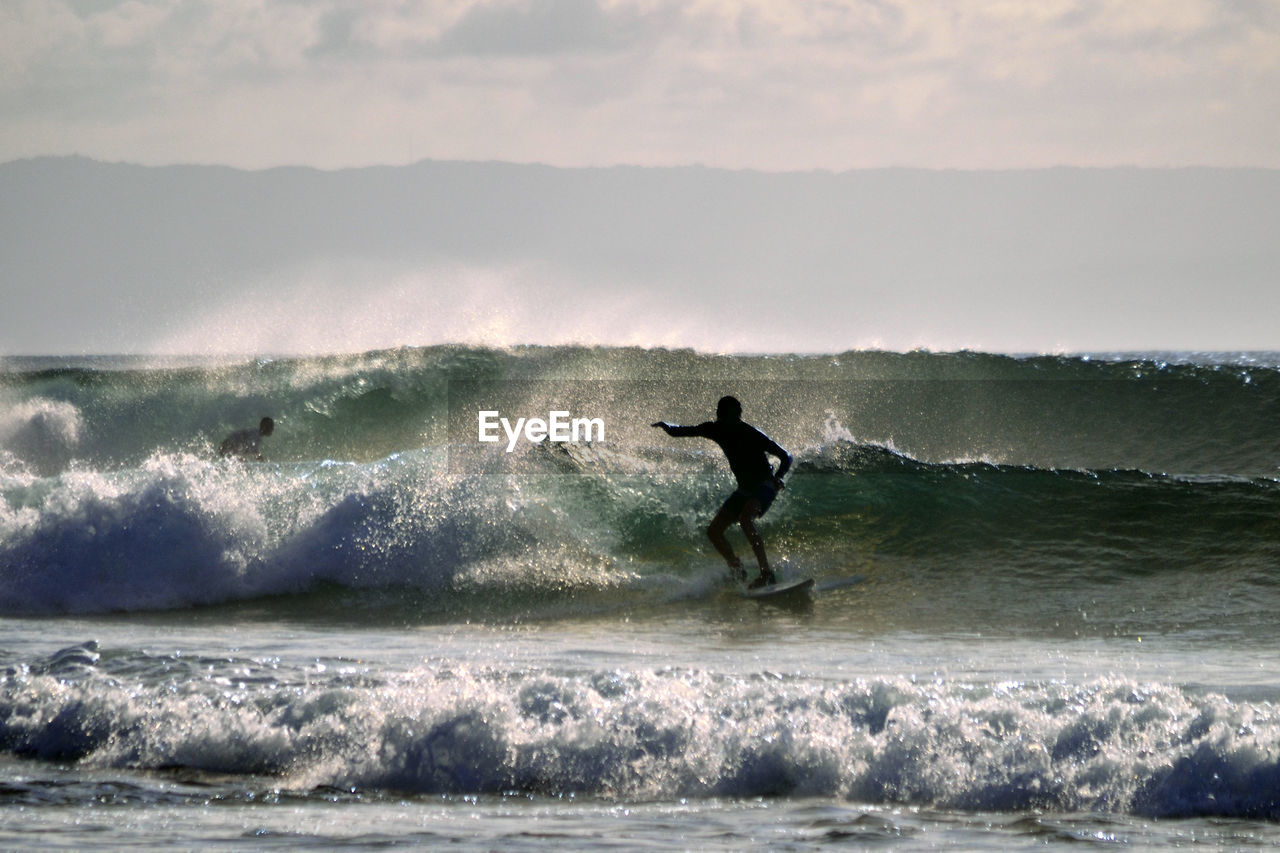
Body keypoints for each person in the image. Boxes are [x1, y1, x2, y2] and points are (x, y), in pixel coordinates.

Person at [652, 396, 792, 588]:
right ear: (722, 415)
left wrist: (778, 476)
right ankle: (737, 568)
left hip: (764, 485)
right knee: (714, 531)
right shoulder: (715, 429)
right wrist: (666, 426)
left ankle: (766, 573)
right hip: (744, 489)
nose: (739, 418)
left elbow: (786, 456)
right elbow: (683, 431)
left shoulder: (750, 432)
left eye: (739, 414)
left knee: (745, 519)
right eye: (735, 414)